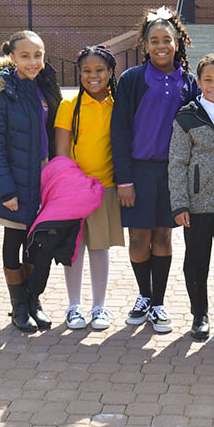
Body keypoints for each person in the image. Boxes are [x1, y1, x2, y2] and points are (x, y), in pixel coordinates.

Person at [0, 30, 61, 333]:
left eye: (38, 55)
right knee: (14, 242)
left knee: (37, 245)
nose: (33, 61)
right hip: (15, 181)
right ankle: (18, 306)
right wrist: (5, 190)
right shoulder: (1, 93)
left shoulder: (44, 87)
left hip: (42, 178)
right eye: (26, 55)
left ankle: (33, 300)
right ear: (12, 57)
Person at [111, 6, 198, 333]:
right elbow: (119, 131)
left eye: (167, 39)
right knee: (138, 237)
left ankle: (159, 302)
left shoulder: (189, 82)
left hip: (173, 173)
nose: (161, 45)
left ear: (178, 42)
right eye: (154, 40)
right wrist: (125, 179)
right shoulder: (133, 79)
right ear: (145, 45)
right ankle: (143, 296)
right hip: (138, 172)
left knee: (163, 235)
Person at [168, 54, 214, 341]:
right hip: (197, 205)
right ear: (198, 82)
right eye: (208, 79)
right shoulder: (187, 116)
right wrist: (180, 203)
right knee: (197, 261)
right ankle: (199, 314)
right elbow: (177, 162)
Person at [53, 45, 124, 330]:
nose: (92, 76)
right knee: (74, 249)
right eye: (86, 71)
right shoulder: (69, 106)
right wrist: (70, 186)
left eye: (99, 71)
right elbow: (60, 154)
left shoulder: (118, 105)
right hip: (74, 190)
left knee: (99, 248)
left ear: (109, 73)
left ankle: (99, 307)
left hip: (105, 188)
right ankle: (74, 306)